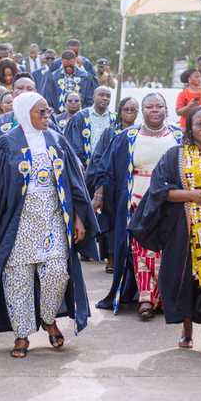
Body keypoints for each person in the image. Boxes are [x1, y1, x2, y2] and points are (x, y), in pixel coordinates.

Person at [0, 92, 97, 358]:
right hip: (17, 223)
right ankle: (22, 334)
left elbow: (74, 183)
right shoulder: (6, 144)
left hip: (52, 220)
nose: (48, 117)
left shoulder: (56, 141)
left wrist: (80, 218)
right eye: (41, 113)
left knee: (57, 273)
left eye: (48, 111)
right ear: (25, 113)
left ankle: (48, 318)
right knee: (17, 280)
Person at [128, 106, 201, 364]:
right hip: (184, 229)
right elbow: (159, 190)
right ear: (190, 128)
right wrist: (191, 195)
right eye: (200, 124)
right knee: (184, 280)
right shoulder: (175, 156)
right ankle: (187, 328)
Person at [96, 93, 184, 317]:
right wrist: (101, 195)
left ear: (167, 109)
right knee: (141, 250)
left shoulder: (179, 137)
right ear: (142, 110)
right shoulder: (128, 136)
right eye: (149, 106)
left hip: (169, 203)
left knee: (165, 252)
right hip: (136, 203)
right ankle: (146, 297)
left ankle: (164, 296)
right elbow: (109, 170)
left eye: (159, 106)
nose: (155, 110)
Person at [86, 96, 140, 275]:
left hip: (132, 184)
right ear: (120, 111)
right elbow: (99, 157)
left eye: (133, 110)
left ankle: (130, 258)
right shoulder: (110, 132)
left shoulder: (140, 132)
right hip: (111, 184)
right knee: (110, 221)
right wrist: (99, 188)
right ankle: (111, 257)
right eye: (127, 109)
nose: (130, 113)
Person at [65, 86, 115, 169]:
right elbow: (72, 145)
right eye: (101, 95)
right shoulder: (80, 117)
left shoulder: (115, 119)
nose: (105, 98)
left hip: (109, 170)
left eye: (108, 96)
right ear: (93, 97)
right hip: (85, 169)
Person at [48, 50, 96, 114]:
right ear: (62, 62)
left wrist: (84, 114)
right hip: (59, 115)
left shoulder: (85, 77)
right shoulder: (54, 77)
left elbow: (90, 99)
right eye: (66, 66)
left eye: (71, 66)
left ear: (75, 61)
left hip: (81, 115)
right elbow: (49, 98)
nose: (68, 68)